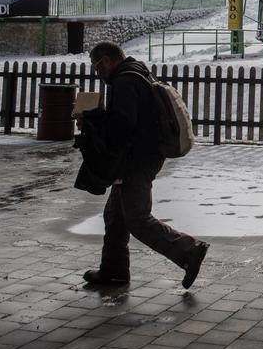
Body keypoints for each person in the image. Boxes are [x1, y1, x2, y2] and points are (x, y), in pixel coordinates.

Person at [81, 41, 208, 288]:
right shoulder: (138, 71)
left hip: (135, 160)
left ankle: (189, 251)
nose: (97, 73)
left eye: (97, 67)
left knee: (137, 218)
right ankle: (114, 270)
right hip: (143, 156)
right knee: (115, 217)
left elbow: (123, 125)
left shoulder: (125, 81)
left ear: (106, 60)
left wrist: (93, 119)